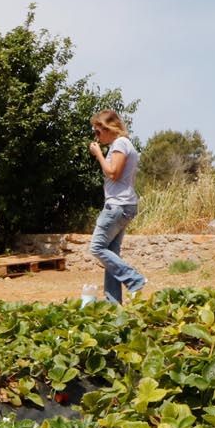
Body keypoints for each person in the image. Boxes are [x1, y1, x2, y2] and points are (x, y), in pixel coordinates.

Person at [88, 109, 144, 304]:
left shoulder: (120, 143)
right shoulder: (122, 144)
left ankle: (134, 279)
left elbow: (113, 173)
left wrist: (99, 156)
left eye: (98, 131)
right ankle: (114, 306)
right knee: (111, 256)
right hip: (124, 205)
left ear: (109, 128)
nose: (96, 136)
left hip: (117, 206)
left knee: (96, 248)